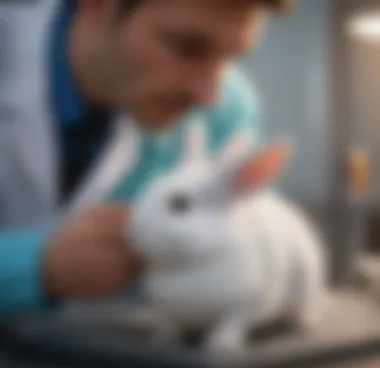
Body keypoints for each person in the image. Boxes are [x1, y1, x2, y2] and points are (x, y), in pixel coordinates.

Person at [0, 0, 291, 315]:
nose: (208, 96)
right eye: (187, 48)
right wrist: (35, 266)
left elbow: (259, 246)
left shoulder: (229, 113)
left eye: (231, 58)